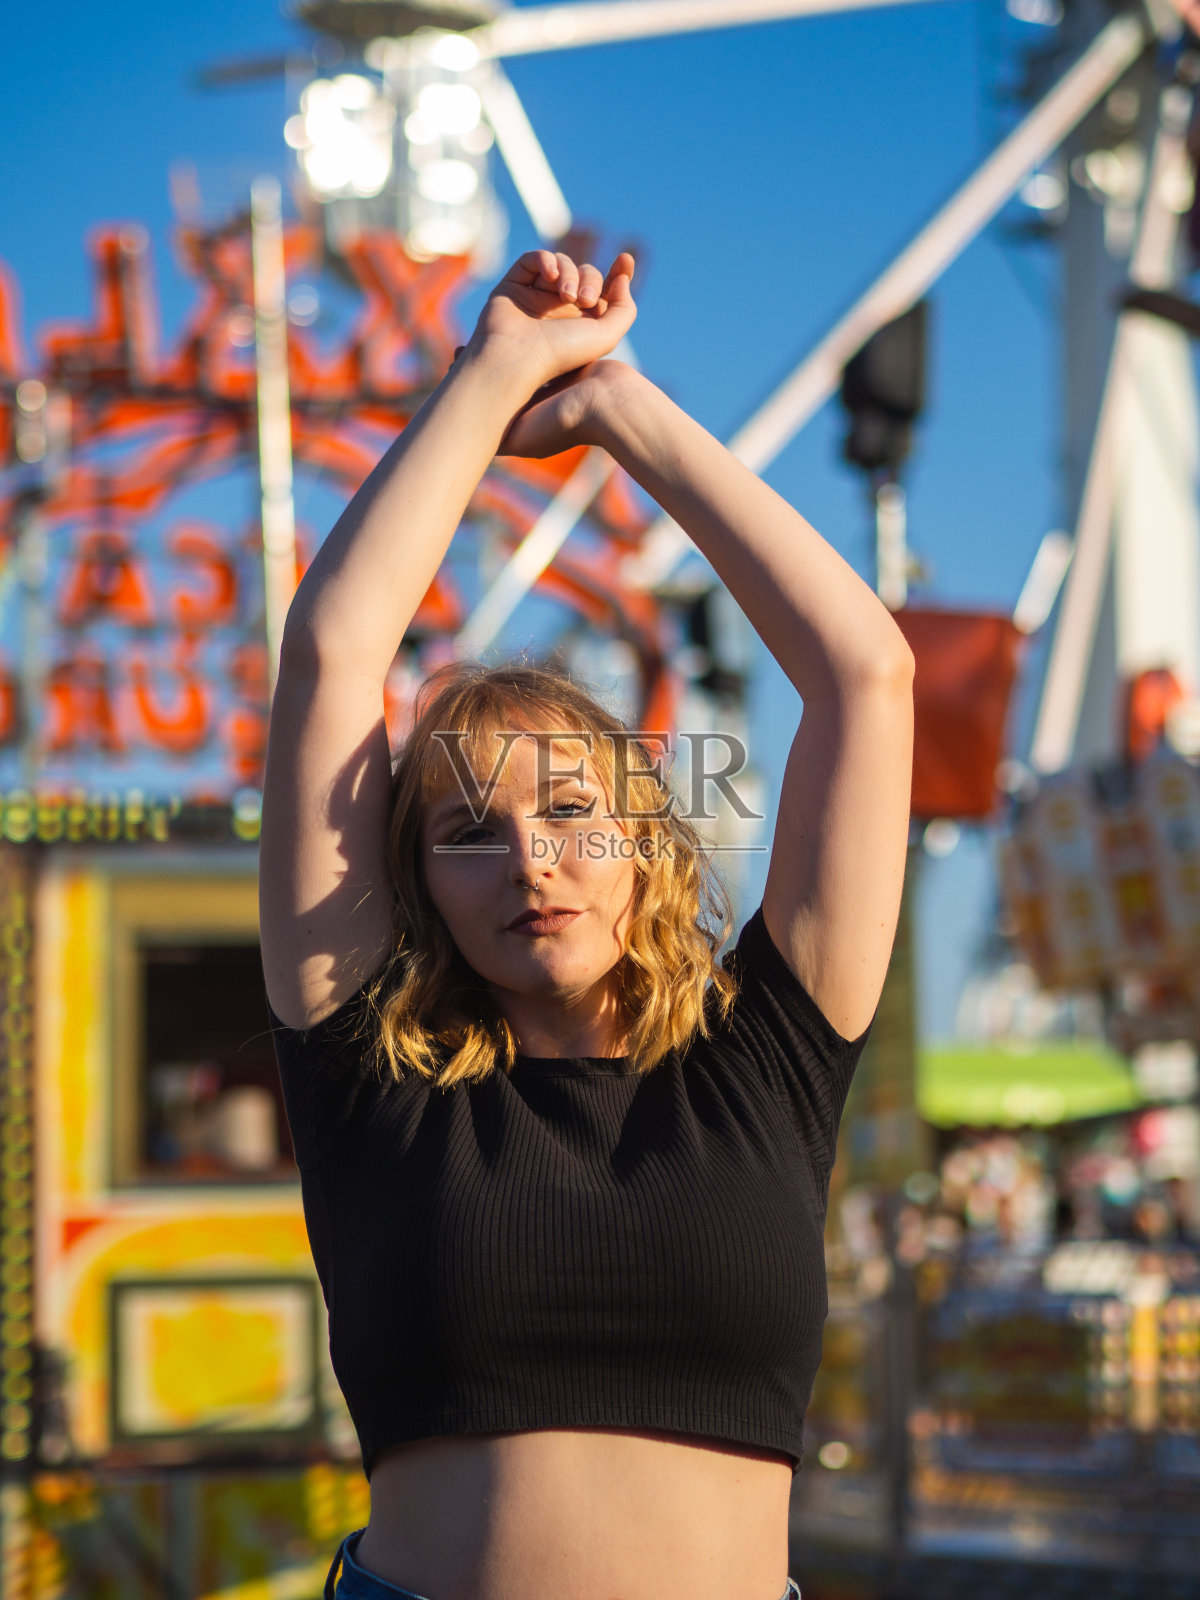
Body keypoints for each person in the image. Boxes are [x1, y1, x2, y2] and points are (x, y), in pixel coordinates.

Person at [259, 247, 914, 1600]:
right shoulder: (373, 1077)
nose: (529, 861)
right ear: (417, 885)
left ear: (646, 845)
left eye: (570, 811)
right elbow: (334, 651)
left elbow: (865, 672)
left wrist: (615, 405)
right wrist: (496, 371)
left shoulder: (767, 1062)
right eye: (468, 833)